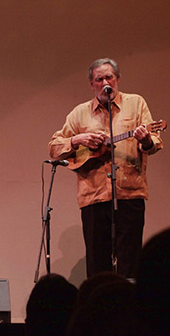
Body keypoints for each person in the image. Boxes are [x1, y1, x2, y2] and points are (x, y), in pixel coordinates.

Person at [48, 58, 163, 278]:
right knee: (97, 260)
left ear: (117, 79)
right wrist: (78, 140)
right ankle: (99, 308)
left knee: (130, 258)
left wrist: (146, 138)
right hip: (94, 196)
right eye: (99, 79)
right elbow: (53, 148)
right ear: (92, 84)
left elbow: (154, 143)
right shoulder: (79, 113)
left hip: (129, 193)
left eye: (109, 77)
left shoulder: (136, 103)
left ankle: (129, 308)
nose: (105, 82)